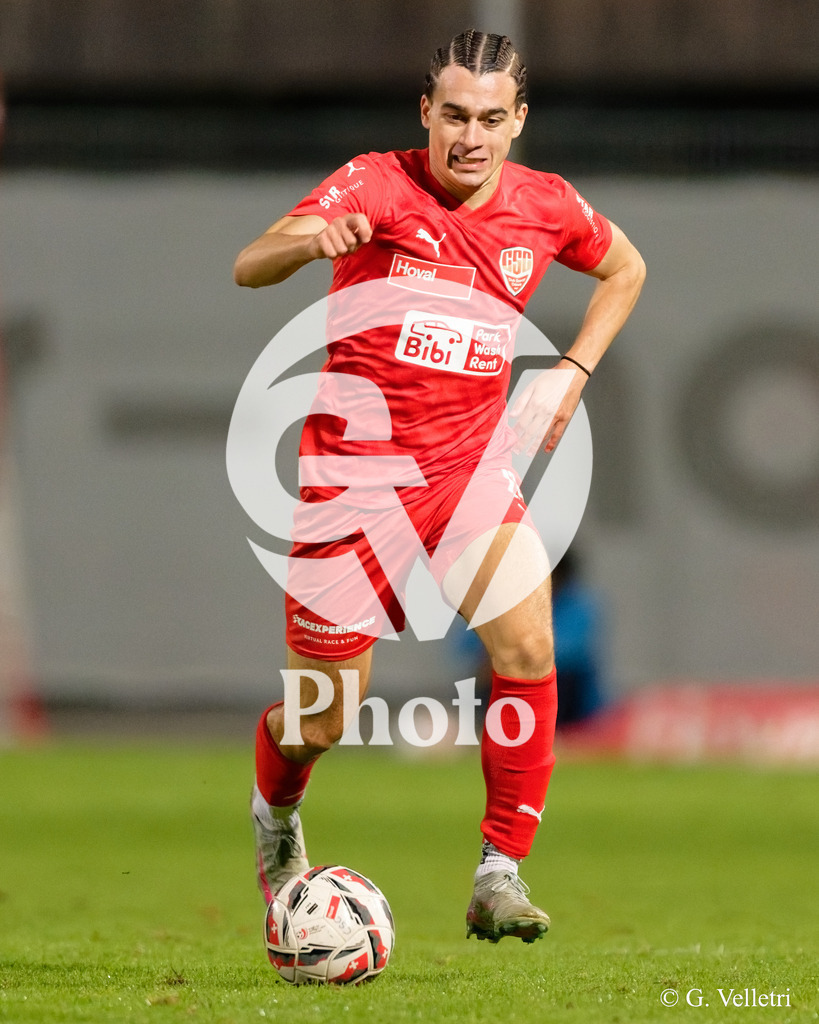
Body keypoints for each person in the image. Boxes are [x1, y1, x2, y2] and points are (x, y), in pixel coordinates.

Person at [233, 30, 645, 944]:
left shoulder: (543, 206)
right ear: (425, 112)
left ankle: (499, 872)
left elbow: (625, 267)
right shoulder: (375, 184)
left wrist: (572, 368)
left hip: (465, 475)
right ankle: (277, 817)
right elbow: (249, 260)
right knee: (323, 716)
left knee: (528, 643)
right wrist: (309, 239)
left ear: (517, 121)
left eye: (491, 119)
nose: (471, 136)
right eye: (454, 115)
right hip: (351, 487)